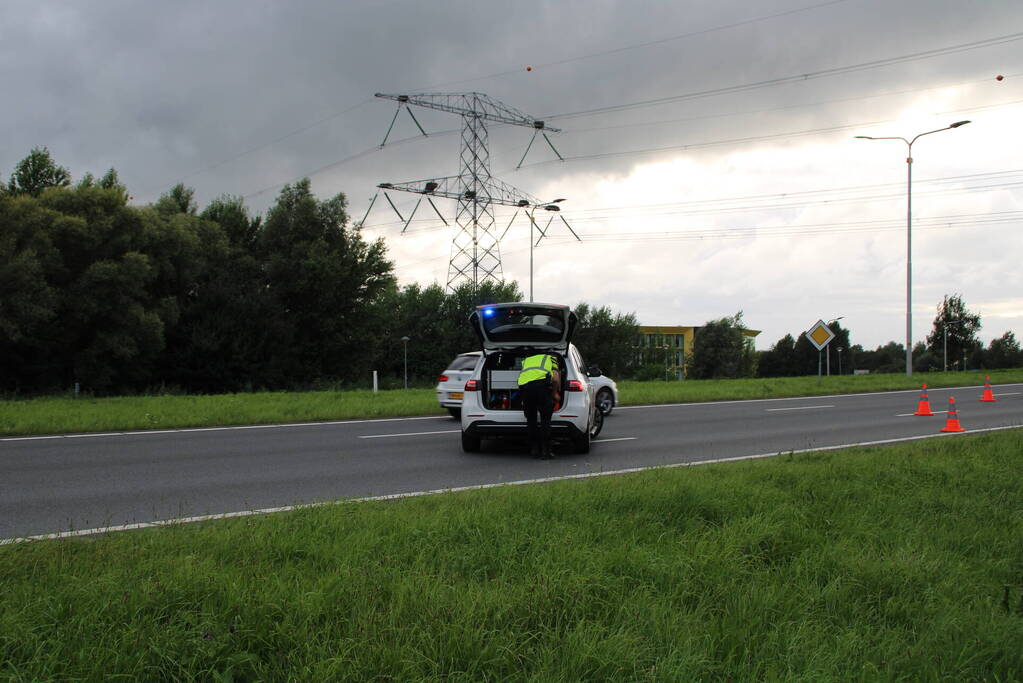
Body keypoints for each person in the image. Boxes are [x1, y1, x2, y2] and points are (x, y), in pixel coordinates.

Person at [517, 352, 559, 459]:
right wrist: (554, 394)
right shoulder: (551, 358)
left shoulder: (527, 360)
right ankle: (546, 452)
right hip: (541, 387)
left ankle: (534, 449)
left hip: (524, 388)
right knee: (545, 420)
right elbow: (555, 378)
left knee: (531, 420)